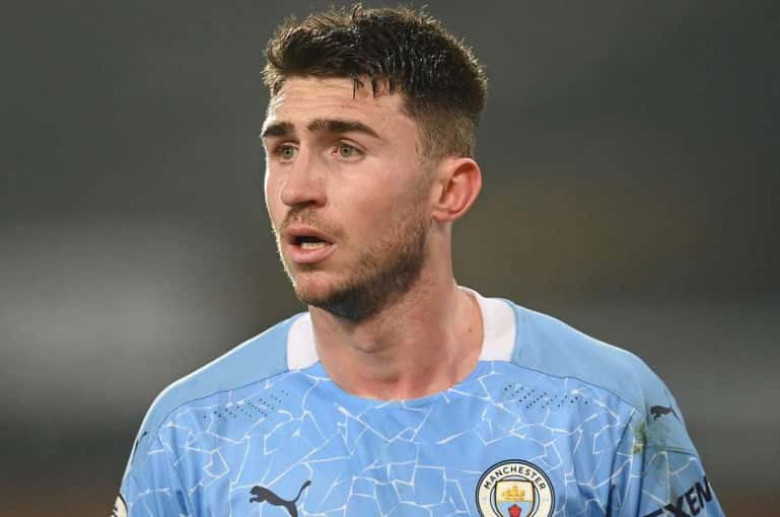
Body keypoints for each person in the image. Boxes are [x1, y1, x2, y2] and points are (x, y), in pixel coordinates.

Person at [115, 5, 724, 517]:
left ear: (449, 190)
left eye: (345, 149)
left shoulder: (604, 408)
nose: (298, 188)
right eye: (284, 150)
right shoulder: (195, 429)